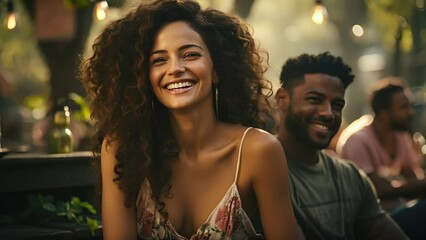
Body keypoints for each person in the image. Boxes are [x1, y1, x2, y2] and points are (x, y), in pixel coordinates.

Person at [80, 0, 299, 239]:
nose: (175, 68)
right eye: (159, 60)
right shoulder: (122, 149)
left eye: (190, 55)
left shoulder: (258, 151)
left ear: (217, 70)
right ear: (144, 77)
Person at [275, 52, 408, 239]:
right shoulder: (264, 172)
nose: (328, 113)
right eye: (314, 99)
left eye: (337, 105)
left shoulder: (350, 176)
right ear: (282, 99)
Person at [339, 77, 426, 239]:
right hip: (367, 224)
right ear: (384, 113)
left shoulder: (400, 135)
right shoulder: (357, 140)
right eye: (403, 107)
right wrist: (415, 185)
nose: (411, 112)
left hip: (397, 212)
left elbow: (414, 178)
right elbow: (377, 190)